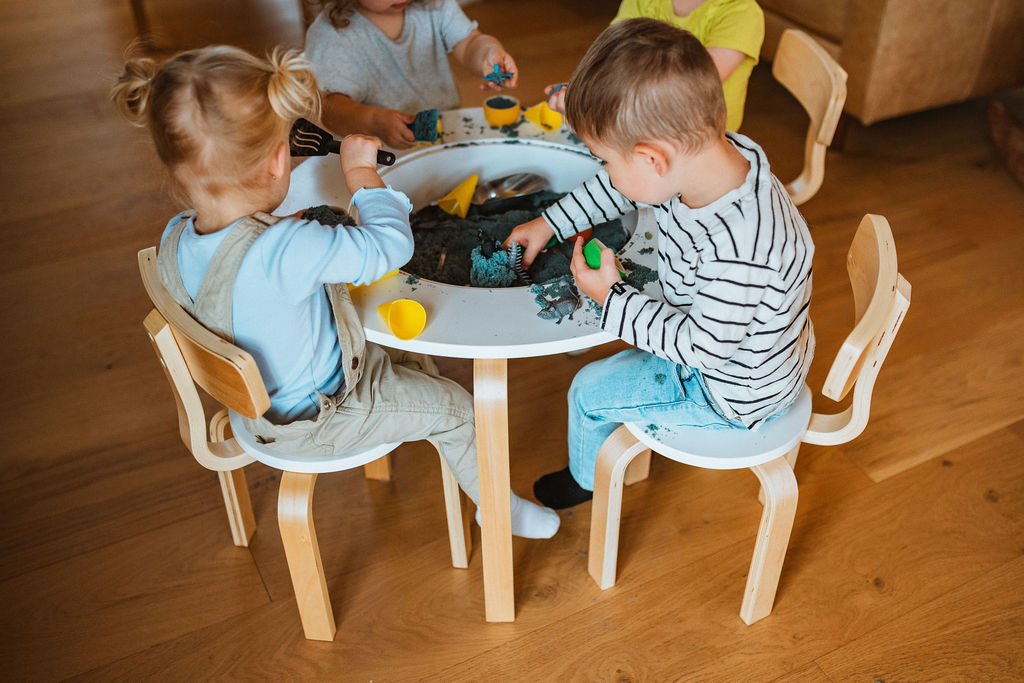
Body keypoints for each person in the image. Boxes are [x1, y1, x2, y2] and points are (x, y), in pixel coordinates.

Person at [112, 45, 559, 537]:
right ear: (280, 160)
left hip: (257, 406)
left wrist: (285, 231)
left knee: (414, 364)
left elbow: (246, 273)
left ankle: (429, 424)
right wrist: (362, 176)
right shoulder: (286, 249)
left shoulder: (177, 236)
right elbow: (390, 247)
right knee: (457, 409)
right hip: (321, 417)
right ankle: (498, 509)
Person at [504, 19, 813, 508]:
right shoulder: (710, 157)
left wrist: (611, 297)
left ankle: (586, 480)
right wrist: (550, 224)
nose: (605, 171)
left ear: (653, 160)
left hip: (727, 388)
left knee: (587, 391)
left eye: (605, 159)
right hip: (738, 341)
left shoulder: (740, 249)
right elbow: (617, 187)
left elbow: (705, 348)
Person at [304, 0, 519, 148]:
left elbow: (469, 42)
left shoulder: (434, 5)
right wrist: (374, 122)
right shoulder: (330, 35)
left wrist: (488, 52)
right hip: (380, 152)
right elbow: (331, 107)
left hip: (444, 129)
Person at [547, 0, 763, 132]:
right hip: (640, 118)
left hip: (699, 136)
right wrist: (587, 90)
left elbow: (690, 82)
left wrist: (597, 106)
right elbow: (612, 53)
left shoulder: (742, 13)